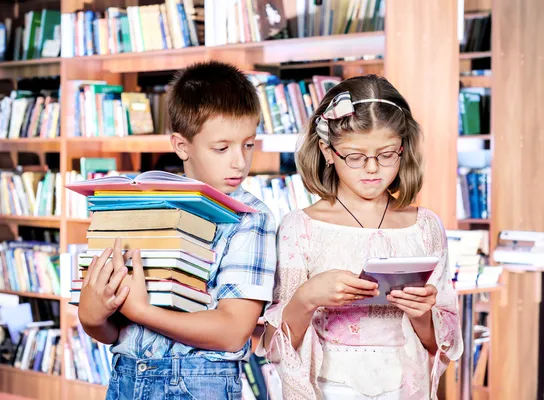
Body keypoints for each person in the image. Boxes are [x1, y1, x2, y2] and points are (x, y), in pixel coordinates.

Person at [78, 61, 277, 400]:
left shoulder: (250, 218)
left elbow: (232, 331)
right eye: (222, 147)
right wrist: (91, 316)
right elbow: (117, 331)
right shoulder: (141, 205)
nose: (239, 162)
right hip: (126, 376)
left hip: (200, 383)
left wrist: (142, 312)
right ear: (182, 145)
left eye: (248, 144)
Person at [260, 75, 463, 399]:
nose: (372, 169)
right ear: (328, 151)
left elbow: (441, 346)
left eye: (386, 155)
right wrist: (307, 297)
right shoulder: (300, 227)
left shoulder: (424, 227)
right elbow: (273, 347)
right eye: (354, 157)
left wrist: (422, 313)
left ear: (403, 148)